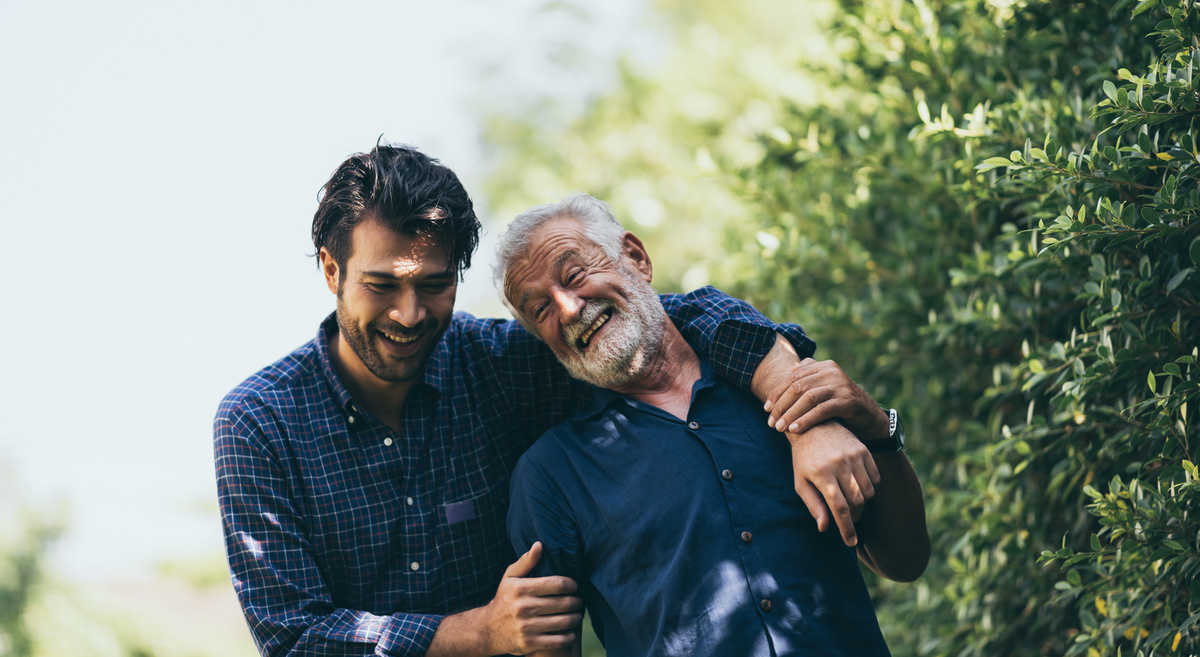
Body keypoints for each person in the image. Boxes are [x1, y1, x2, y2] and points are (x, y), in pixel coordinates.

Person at [214, 144, 880, 657]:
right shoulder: (259, 423)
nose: (411, 313)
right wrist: (478, 632)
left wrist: (800, 408)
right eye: (382, 284)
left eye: (436, 285)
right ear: (332, 270)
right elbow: (294, 636)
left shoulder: (499, 365)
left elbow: (666, 321)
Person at [498, 193, 931, 657]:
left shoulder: (780, 383)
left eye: (575, 274)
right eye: (539, 309)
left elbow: (905, 561)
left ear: (636, 258)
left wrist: (874, 421)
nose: (566, 309)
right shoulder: (550, 474)